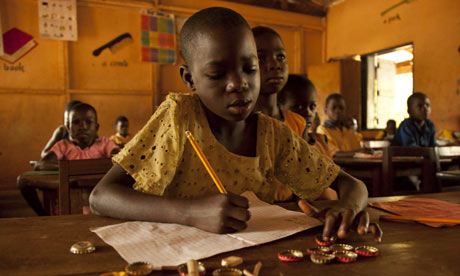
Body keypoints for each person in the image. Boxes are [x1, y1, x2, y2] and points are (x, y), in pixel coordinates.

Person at [89, 7, 382, 242]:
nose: (239, 84)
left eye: (250, 69)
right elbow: (101, 197)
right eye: (217, 74)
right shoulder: (179, 117)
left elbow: (351, 185)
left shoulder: (274, 135)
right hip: (169, 254)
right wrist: (190, 212)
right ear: (190, 79)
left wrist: (349, 206)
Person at [252, 30, 335, 201]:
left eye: (281, 57)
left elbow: (305, 173)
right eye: (261, 58)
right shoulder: (240, 121)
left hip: (291, 211)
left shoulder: (297, 122)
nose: (274, 64)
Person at [17, 102, 120, 215]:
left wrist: (73, 168)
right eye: (76, 122)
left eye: (88, 122)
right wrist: (76, 169)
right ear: (68, 128)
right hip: (68, 207)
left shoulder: (104, 144)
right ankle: (42, 215)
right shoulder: (63, 146)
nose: (83, 127)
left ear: (96, 127)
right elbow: (42, 165)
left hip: (101, 207)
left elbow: (120, 160)